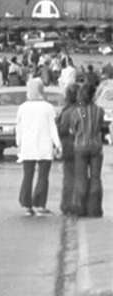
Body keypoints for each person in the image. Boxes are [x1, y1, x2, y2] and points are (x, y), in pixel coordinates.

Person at [15, 79, 62, 216]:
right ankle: (40, 204)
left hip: (27, 145)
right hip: (44, 145)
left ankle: (27, 205)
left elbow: (19, 128)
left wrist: (19, 144)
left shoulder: (22, 108)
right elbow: (53, 128)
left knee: (27, 175)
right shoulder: (48, 108)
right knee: (43, 176)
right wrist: (58, 145)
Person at [67, 82, 105, 218]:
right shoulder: (100, 110)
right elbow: (100, 126)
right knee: (95, 178)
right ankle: (95, 209)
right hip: (96, 146)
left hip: (81, 146)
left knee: (81, 177)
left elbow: (73, 129)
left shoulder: (77, 111)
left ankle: (80, 207)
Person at [56, 84, 80, 216]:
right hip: (81, 147)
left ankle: (67, 204)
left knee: (69, 177)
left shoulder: (67, 112)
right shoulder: (82, 110)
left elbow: (62, 129)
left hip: (69, 148)